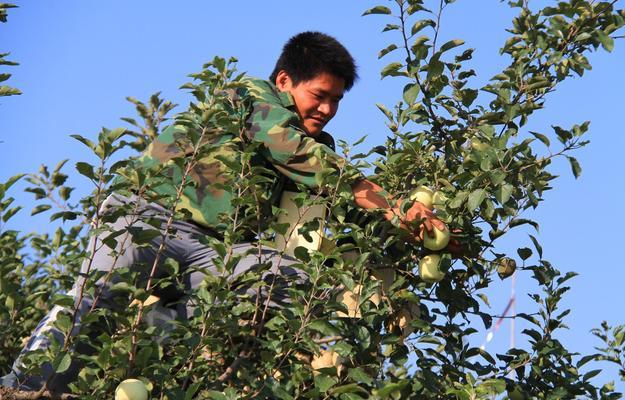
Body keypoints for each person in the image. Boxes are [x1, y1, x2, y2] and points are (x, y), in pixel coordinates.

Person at [1, 31, 444, 394]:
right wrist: (396, 207)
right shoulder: (249, 96)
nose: (328, 110)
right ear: (286, 80)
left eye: (338, 101)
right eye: (320, 95)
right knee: (95, 298)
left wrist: (413, 233)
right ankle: (23, 387)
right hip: (147, 217)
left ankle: (146, 327)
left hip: (217, 249)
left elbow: (340, 207)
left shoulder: (314, 149)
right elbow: (299, 155)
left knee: (292, 285)